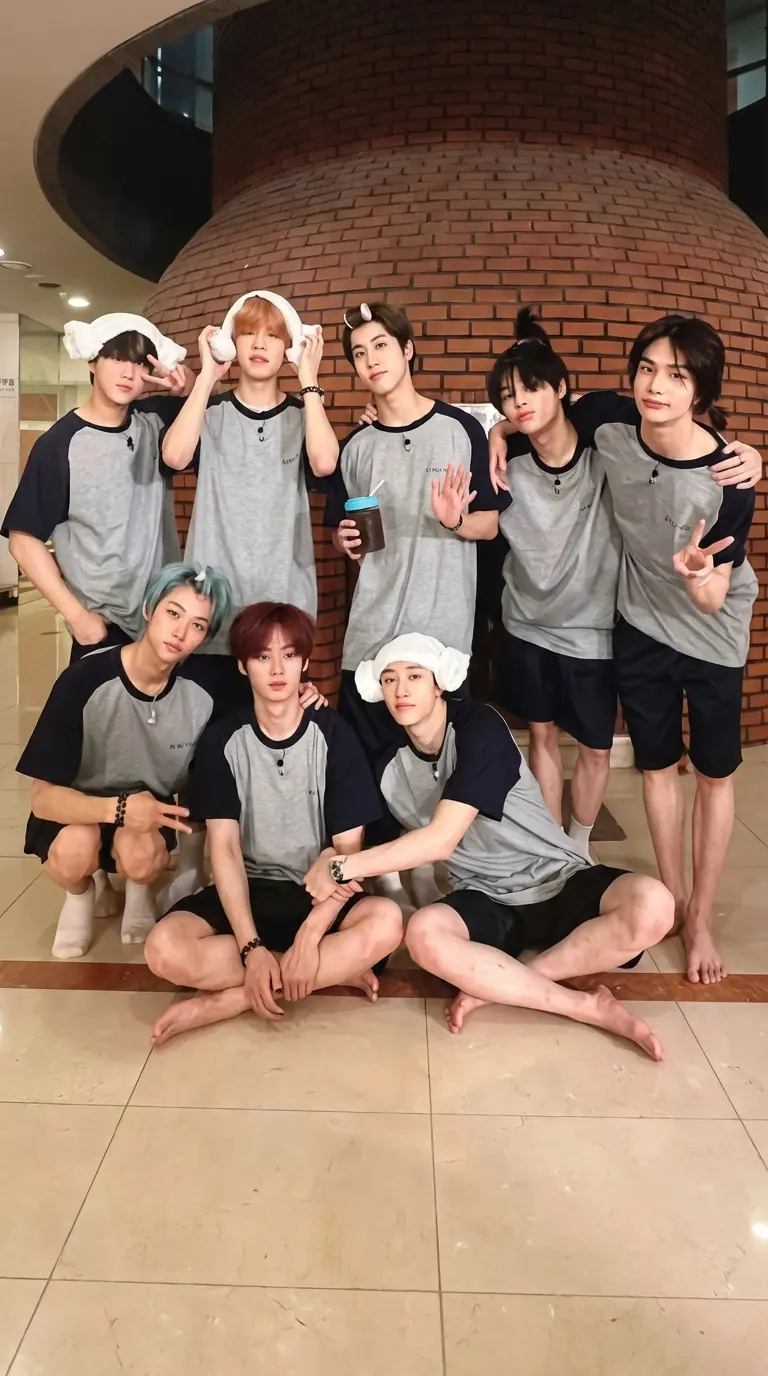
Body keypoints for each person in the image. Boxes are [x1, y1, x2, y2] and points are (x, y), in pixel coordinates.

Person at [490, 313, 761, 985]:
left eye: (677, 376)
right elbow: (536, 413)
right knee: (657, 768)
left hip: (712, 633)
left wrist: (698, 577)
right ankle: (675, 898)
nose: (656, 386)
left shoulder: (729, 477)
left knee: (713, 774)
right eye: (647, 369)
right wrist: (496, 431)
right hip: (639, 623)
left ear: (702, 390)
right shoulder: (609, 420)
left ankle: (701, 920)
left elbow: (713, 595)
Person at [304, 634, 675, 1058]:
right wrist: (308, 710)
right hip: (485, 895)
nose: (401, 689)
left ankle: (507, 982)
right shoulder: (389, 766)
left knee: (654, 905)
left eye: (414, 676)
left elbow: (441, 840)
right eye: (389, 679)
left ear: (439, 684)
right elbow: (364, 833)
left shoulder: (479, 725)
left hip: (558, 877)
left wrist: (340, 867)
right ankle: (583, 1005)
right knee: (423, 934)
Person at [144, 600, 403, 1046]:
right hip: (247, 891)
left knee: (387, 922)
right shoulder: (223, 740)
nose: (278, 669)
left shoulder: (334, 734)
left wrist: (310, 938)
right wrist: (250, 948)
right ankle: (323, 972)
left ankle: (234, 999)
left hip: (318, 893)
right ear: (243, 666)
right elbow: (224, 850)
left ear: (305, 662)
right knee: (163, 949)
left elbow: (348, 856)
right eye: (263, 656)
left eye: (289, 655)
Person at [16, 563, 233, 959]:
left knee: (142, 852)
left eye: (198, 625)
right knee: (75, 847)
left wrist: (307, 694)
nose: (180, 632)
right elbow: (42, 799)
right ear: (148, 609)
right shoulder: (85, 679)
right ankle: (80, 895)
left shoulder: (204, 691)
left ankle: (138, 889)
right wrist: (118, 809)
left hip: (146, 820)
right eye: (173, 613)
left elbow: (266, 691)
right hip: (77, 812)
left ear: (205, 637)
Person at [325, 300, 501, 766]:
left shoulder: (460, 429)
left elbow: (489, 525)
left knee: (444, 772)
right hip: (372, 639)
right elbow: (342, 535)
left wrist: (454, 521)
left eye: (381, 345)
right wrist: (344, 541)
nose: (371, 359)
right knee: (365, 773)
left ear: (407, 350)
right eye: (359, 353)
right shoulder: (356, 447)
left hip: (441, 639)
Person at [485, 308, 622, 855]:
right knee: (541, 734)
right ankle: (553, 848)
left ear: (562, 389)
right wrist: (496, 432)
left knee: (595, 746)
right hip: (527, 623)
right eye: (507, 397)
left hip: (594, 629)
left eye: (532, 388)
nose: (519, 403)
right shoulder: (506, 462)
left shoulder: (605, 446)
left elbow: (664, 423)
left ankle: (580, 844)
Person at [2, 313, 194, 661]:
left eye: (139, 363)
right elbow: (23, 540)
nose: (128, 373)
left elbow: (207, 404)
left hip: (162, 620)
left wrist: (187, 384)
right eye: (117, 359)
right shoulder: (60, 444)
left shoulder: (155, 421)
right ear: (92, 361)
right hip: (104, 626)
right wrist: (77, 617)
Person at [161, 290, 339, 658]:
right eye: (247, 333)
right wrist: (207, 376)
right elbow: (175, 457)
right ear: (231, 343)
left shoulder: (302, 415)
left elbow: (324, 463)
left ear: (289, 347)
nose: (259, 344)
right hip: (211, 603)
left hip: (283, 605)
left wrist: (308, 377)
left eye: (273, 335)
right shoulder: (210, 412)